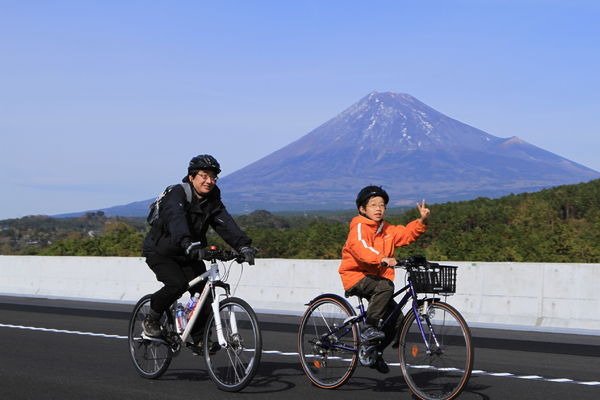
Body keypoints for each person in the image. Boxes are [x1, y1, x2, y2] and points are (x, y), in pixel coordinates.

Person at [141, 154, 256, 353]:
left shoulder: (212, 199)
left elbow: (224, 223)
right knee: (176, 284)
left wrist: (243, 246)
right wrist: (188, 243)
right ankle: (151, 318)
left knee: (204, 292)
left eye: (213, 177)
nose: (209, 181)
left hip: (190, 252)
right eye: (204, 175)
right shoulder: (177, 194)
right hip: (161, 251)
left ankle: (198, 339)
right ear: (192, 176)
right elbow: (176, 220)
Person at [338, 185, 430, 373]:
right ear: (362, 209)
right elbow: (360, 248)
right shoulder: (359, 227)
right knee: (386, 286)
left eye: (382, 205)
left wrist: (421, 221)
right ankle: (369, 328)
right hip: (356, 276)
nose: (378, 208)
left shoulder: (386, 228)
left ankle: (373, 353)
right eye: (373, 205)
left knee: (397, 322)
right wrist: (381, 258)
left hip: (377, 279)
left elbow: (405, 234)